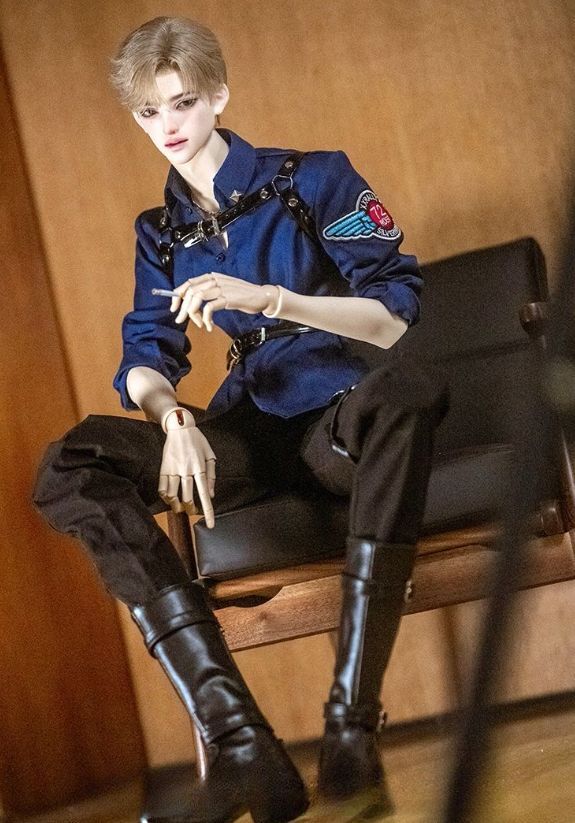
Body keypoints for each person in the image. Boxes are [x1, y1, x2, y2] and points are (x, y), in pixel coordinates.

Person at [34, 16, 447, 823]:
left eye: (182, 102)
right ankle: (241, 745)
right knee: (69, 464)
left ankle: (350, 729)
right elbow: (146, 352)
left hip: (334, 420)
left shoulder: (316, 179)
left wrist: (271, 300)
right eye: (148, 112)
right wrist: (172, 421)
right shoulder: (159, 232)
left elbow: (394, 316)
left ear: (218, 94)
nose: (167, 126)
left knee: (407, 390)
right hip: (240, 435)